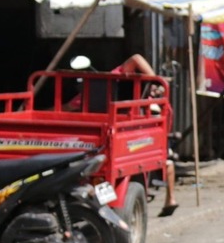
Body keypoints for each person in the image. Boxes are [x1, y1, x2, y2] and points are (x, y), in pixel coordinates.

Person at [69, 53, 178, 216]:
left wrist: (153, 80)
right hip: (133, 143)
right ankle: (171, 199)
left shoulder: (110, 82)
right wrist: (154, 80)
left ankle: (168, 200)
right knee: (166, 161)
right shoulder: (153, 102)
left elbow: (135, 58)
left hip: (121, 144)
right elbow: (135, 59)